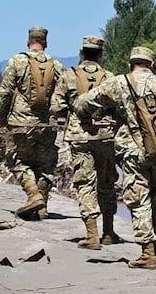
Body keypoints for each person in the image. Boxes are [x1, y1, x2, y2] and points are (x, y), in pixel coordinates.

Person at [74, 46, 156, 269]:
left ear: (130, 64)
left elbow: (85, 103)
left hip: (133, 152)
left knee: (138, 199)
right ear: (152, 65)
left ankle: (147, 252)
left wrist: (84, 115)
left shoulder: (120, 83)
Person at [50, 35, 120, 249]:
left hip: (79, 137)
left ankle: (92, 234)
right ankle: (109, 231)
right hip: (105, 136)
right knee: (107, 183)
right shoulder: (110, 77)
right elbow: (119, 107)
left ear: (82, 53)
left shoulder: (69, 76)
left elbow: (56, 106)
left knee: (85, 183)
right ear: (100, 54)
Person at [0, 26, 64, 220]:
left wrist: (1, 118)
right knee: (45, 164)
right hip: (47, 125)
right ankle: (42, 207)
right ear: (45, 43)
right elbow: (62, 95)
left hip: (20, 123)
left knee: (17, 160)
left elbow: (5, 93)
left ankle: (34, 196)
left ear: (28, 42)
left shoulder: (17, 61)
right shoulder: (57, 66)